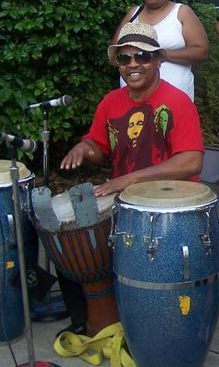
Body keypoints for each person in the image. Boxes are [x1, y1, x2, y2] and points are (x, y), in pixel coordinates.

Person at [59, 22, 204, 335]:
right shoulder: (110, 102)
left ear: (157, 60)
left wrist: (130, 180)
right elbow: (98, 146)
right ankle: (94, 319)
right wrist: (84, 148)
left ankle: (147, 324)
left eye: (142, 56)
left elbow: (191, 161)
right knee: (70, 231)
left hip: (169, 210)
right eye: (125, 59)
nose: (133, 64)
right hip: (124, 205)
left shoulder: (177, 102)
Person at [113, 0, 208, 101]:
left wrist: (163, 55)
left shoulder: (181, 13)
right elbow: (115, 49)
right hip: (134, 97)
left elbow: (202, 51)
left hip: (175, 98)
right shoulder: (133, 13)